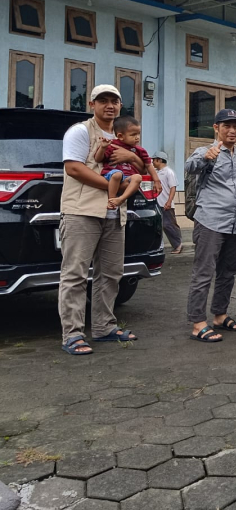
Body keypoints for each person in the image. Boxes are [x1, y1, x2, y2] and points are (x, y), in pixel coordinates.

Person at [58, 85, 144, 355]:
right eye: (103, 100)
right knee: (75, 274)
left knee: (111, 273)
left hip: (114, 213)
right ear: (91, 104)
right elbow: (74, 168)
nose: (109, 105)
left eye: (114, 101)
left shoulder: (123, 134)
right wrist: (113, 187)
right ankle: (72, 334)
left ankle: (104, 326)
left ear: (120, 105)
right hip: (82, 211)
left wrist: (131, 156)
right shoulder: (80, 131)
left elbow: (141, 167)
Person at [184, 108, 236, 342]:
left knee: (228, 272)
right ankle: (197, 323)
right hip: (210, 221)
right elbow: (189, 166)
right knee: (203, 273)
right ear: (216, 128)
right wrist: (205, 157)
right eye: (227, 126)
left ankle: (220, 315)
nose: (232, 130)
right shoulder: (206, 151)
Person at [95, 115, 160, 209]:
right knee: (117, 174)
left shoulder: (140, 150)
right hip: (113, 175)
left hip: (128, 179)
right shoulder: (112, 145)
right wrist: (103, 147)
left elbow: (148, 165)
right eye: (133, 135)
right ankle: (111, 200)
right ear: (120, 136)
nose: (137, 137)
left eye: (138, 134)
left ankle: (120, 199)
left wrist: (156, 180)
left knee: (137, 177)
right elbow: (98, 159)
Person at [152, 150, 183, 254]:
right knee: (157, 226)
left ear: (159, 160)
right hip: (157, 203)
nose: (152, 162)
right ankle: (158, 246)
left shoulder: (169, 172)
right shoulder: (156, 173)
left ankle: (178, 245)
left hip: (165, 203)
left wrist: (169, 202)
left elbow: (173, 188)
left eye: (154, 160)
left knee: (169, 225)